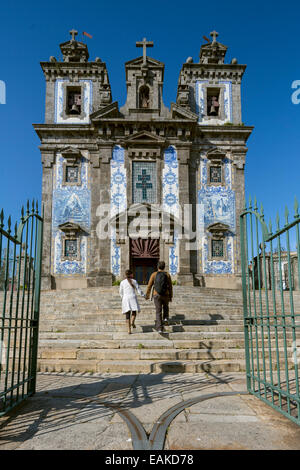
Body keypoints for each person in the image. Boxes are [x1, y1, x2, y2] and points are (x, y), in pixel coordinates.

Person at [145, 261, 173, 333]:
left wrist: (147, 295)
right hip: (166, 294)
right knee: (166, 307)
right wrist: (170, 296)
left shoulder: (154, 274)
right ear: (164, 267)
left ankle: (160, 328)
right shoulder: (167, 274)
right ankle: (166, 318)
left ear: (158, 267)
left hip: (156, 294)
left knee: (158, 311)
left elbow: (149, 285)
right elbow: (170, 286)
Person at [119, 269, 145, 334]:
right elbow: (139, 290)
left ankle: (129, 330)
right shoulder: (134, 281)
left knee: (127, 314)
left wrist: (123, 298)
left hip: (125, 298)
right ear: (131, 274)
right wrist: (144, 295)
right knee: (134, 312)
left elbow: (120, 292)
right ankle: (132, 322)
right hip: (132, 297)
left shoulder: (122, 282)